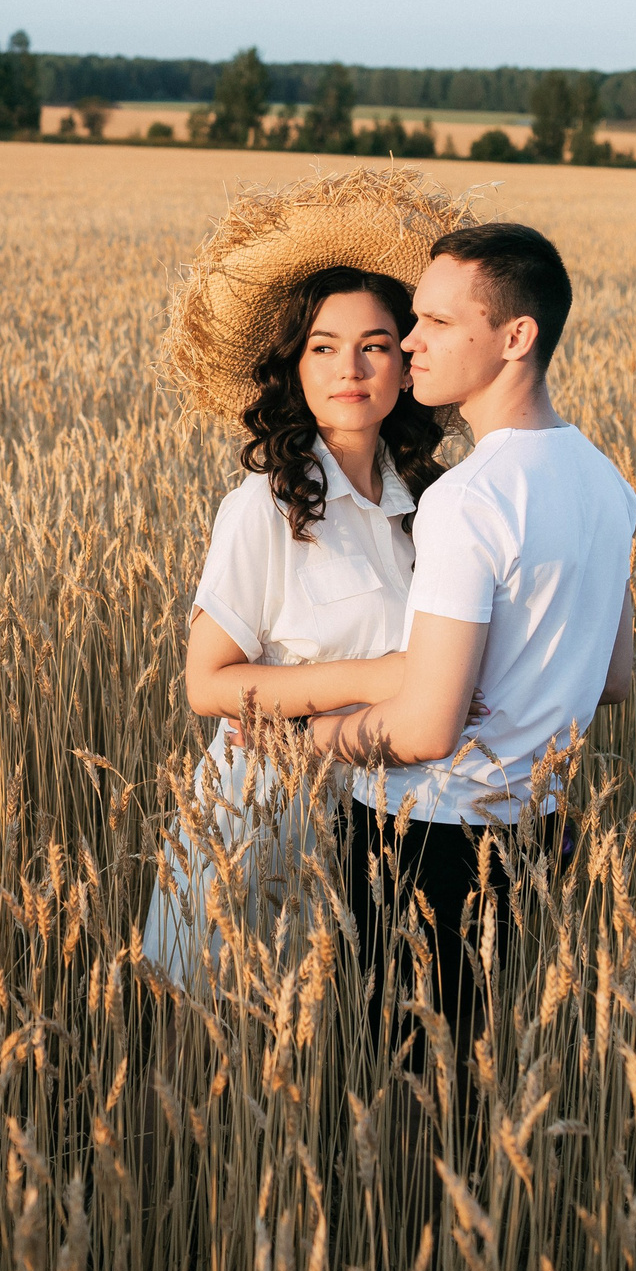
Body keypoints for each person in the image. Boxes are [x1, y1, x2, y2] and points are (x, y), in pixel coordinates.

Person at [278, 220, 636, 1060]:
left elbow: (425, 731)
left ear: (517, 337)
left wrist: (308, 734)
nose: (411, 340)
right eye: (417, 319)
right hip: (537, 828)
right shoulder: (606, 479)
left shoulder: (469, 498)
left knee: (400, 1090)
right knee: (475, 1075)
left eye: (439, 323)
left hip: (423, 837)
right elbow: (614, 677)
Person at [145, 168, 481, 988]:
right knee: (243, 1063)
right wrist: (381, 678)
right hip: (262, 816)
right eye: (323, 348)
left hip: (393, 827)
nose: (349, 369)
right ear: (294, 366)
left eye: (373, 346)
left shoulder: (429, 511)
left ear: (406, 362)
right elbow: (206, 682)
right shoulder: (263, 508)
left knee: (351, 1060)